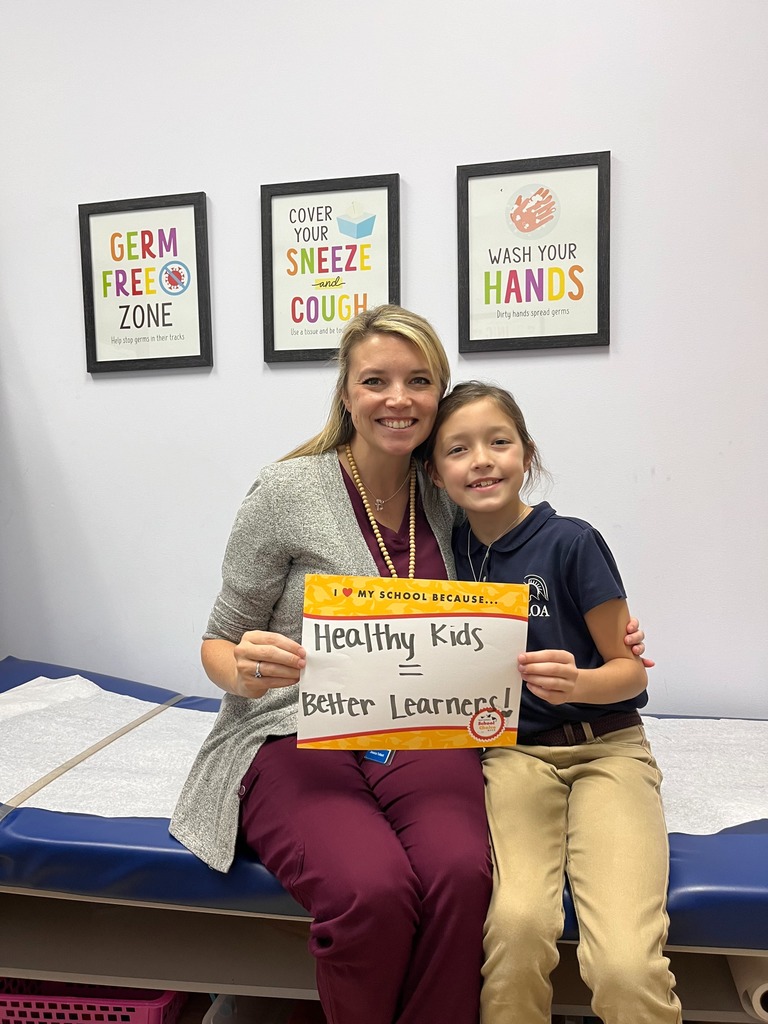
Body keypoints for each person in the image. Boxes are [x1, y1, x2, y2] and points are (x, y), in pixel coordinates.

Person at [170, 307, 648, 1024]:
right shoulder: (286, 492)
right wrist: (243, 668)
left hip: (420, 726)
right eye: (376, 381)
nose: (398, 398)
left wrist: (610, 638)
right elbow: (219, 641)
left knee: (462, 875)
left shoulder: (449, 494)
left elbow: (527, 570)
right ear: (346, 393)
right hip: (293, 731)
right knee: (371, 889)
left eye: (419, 381)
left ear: (438, 395)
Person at [426, 381, 682, 1024]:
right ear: (434, 472)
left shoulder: (572, 542)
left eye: (498, 441)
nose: (481, 460)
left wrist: (580, 683)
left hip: (607, 751)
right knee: (515, 931)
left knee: (624, 965)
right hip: (511, 758)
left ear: (526, 452)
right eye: (457, 449)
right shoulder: (443, 554)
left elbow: (631, 673)